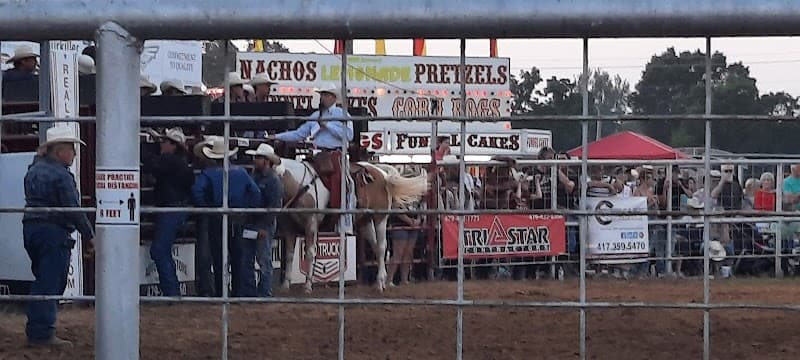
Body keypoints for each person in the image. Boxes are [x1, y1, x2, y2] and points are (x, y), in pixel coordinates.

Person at [22, 126, 94, 347]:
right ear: (60, 151)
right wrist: (89, 236)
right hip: (54, 231)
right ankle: (41, 333)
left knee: (43, 278)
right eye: (71, 149)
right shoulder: (61, 176)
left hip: (32, 228)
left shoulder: (33, 170)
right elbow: (72, 208)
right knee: (51, 281)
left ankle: (38, 329)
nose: (74, 153)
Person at [269, 83, 353, 220]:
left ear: (333, 97)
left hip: (334, 154)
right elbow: (299, 134)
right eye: (321, 95)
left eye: (325, 95)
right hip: (316, 155)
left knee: (340, 180)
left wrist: (328, 125)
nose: (322, 98)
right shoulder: (315, 115)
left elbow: (348, 135)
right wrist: (277, 136)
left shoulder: (342, 115)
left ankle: (341, 213)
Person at [192, 138, 261, 297]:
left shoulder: (208, 173)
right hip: (237, 217)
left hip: (217, 216)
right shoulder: (241, 172)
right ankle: (237, 291)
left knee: (219, 256)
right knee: (238, 256)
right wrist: (247, 210)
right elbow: (255, 193)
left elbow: (197, 191)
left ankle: (221, 291)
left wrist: (206, 208)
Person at [142, 127, 194, 296]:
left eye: (165, 142)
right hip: (175, 208)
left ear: (173, 146)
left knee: (159, 249)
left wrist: (144, 145)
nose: (162, 144)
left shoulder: (171, 161)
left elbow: (150, 163)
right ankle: (171, 290)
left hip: (171, 209)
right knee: (161, 249)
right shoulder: (180, 162)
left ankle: (171, 291)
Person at [244, 144, 283, 297]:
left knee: (263, 259)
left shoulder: (273, 180)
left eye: (259, 157)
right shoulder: (257, 176)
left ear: (266, 161)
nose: (255, 160)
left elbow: (274, 207)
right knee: (249, 258)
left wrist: (265, 227)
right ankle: (252, 291)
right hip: (253, 221)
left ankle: (264, 291)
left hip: (262, 223)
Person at [386, 169, 424, 286]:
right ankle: (389, 280)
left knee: (408, 253)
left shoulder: (417, 194)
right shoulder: (399, 193)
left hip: (411, 224)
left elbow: (420, 209)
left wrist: (417, 220)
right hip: (400, 224)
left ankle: (404, 279)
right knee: (398, 253)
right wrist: (410, 221)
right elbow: (396, 210)